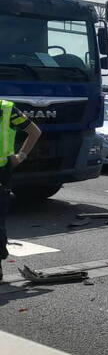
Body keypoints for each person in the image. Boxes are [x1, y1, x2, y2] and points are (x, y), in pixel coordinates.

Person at [1, 99, 41, 282]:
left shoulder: (6, 108)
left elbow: (34, 132)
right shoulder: (6, 108)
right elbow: (34, 131)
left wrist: (21, 156)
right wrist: (20, 157)